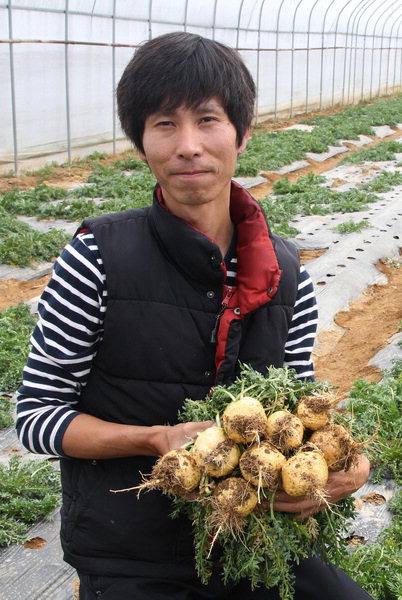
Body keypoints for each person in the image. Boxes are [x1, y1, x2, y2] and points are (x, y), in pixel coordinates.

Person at [16, 32, 371, 600]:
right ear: (140, 143)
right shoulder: (97, 258)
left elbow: (298, 411)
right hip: (132, 550)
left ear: (243, 134)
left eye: (208, 120)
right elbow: (36, 418)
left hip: (253, 537)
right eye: (164, 124)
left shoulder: (288, 273)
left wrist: (349, 467)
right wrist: (155, 439)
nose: (188, 145)